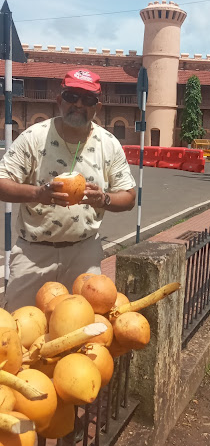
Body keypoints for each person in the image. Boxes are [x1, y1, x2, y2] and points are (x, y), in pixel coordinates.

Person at [0, 69, 136, 311]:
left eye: (88, 100)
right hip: (34, 253)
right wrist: (37, 194)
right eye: (71, 96)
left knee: (82, 334)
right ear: (59, 100)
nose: (79, 104)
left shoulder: (109, 144)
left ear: (98, 107)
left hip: (84, 253)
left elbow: (128, 196)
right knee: (18, 330)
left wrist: (102, 199)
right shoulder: (34, 137)